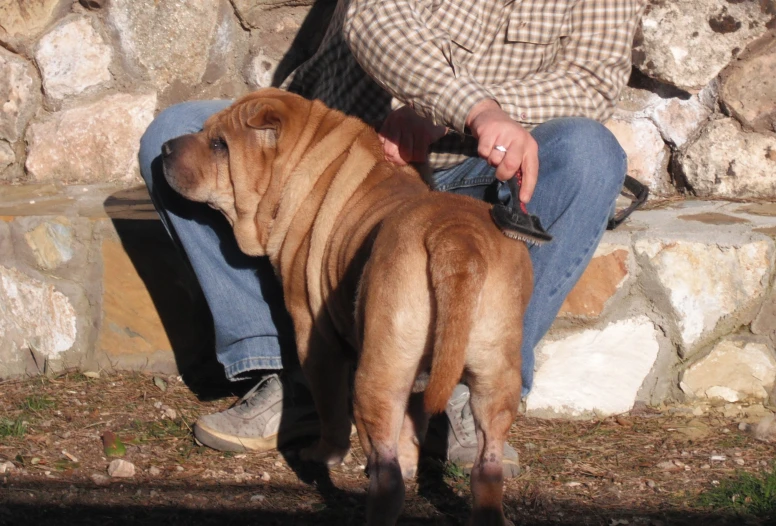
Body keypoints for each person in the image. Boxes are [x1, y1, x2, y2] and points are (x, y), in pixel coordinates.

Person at [138, 0, 644, 475]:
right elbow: (372, 15)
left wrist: (463, 114)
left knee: (590, 155)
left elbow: (590, 83)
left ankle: (475, 387)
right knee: (177, 132)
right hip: (340, 157)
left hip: (475, 170)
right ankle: (288, 374)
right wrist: (462, 102)